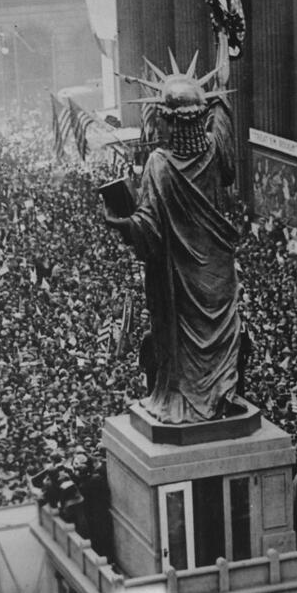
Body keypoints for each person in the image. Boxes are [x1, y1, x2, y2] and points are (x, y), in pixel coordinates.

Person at [105, 25, 243, 424]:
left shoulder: (159, 165)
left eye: (161, 119)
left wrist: (118, 222)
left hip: (180, 283)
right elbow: (222, 89)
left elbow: (147, 230)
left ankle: (189, 399)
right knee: (220, 342)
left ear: (170, 121)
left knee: (181, 346)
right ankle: (222, 393)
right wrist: (221, 36)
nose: (158, 127)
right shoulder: (217, 151)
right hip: (217, 276)